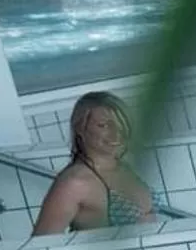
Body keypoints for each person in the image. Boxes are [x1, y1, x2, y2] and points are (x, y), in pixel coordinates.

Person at [32, 92, 157, 235]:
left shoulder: (126, 166)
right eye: (103, 125)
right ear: (80, 128)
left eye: (121, 124)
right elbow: (42, 241)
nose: (116, 133)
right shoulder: (74, 183)